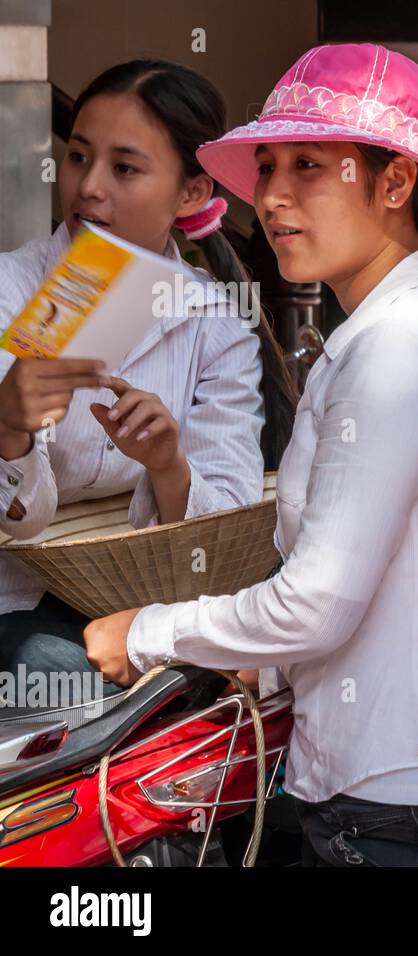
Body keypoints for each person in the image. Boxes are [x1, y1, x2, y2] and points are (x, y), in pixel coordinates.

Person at [84, 43, 418, 867]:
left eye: (309, 165)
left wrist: (148, 632)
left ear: (394, 183)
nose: (270, 197)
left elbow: (317, 602)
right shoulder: (404, 331)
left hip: (401, 817)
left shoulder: (402, 351)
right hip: (410, 803)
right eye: (266, 167)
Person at [0, 59, 295, 695]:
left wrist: (169, 467)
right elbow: (18, 522)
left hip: (151, 603)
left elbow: (227, 532)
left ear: (191, 192)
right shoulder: (11, 291)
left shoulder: (214, 318)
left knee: (228, 677)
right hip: (15, 611)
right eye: (78, 158)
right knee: (67, 676)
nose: (88, 188)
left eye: (124, 168)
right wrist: (10, 432)